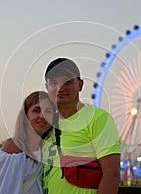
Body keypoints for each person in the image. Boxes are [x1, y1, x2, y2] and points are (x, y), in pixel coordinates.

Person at [42, 58, 121, 194]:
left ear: (80, 85)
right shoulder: (46, 124)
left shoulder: (98, 118)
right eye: (54, 83)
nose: (60, 88)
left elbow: (112, 174)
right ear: (47, 87)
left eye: (67, 82)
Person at [0, 91, 55, 194]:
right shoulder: (14, 147)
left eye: (48, 111)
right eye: (36, 110)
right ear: (26, 116)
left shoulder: (45, 150)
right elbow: (2, 190)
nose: (42, 116)